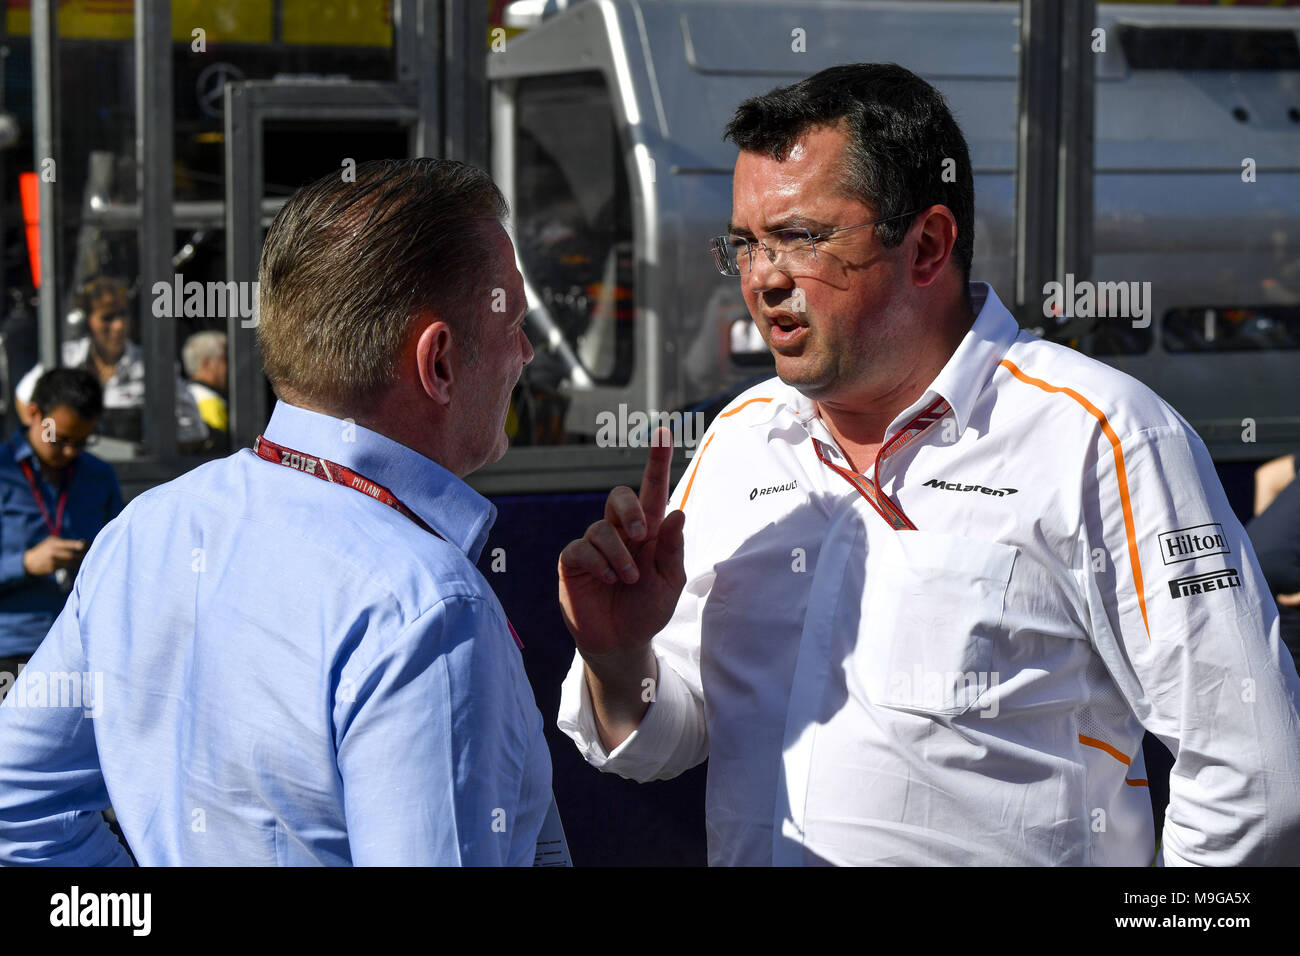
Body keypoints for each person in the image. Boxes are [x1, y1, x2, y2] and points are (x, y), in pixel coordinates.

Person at [556, 63, 1300, 866]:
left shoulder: (1100, 436)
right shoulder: (739, 440)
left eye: (802, 238)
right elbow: (664, 742)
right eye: (745, 243)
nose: (764, 278)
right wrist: (617, 656)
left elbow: (1253, 779)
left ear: (929, 245)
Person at [0, 158, 554, 865]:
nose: (527, 352)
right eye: (511, 318)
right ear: (438, 361)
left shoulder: (148, 529)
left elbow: (16, 806)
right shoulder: (426, 608)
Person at [0, 368, 121, 695]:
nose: (70, 452)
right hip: (12, 650)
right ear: (33, 413)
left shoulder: (99, 476)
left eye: (82, 442)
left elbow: (121, 564)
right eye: (61, 439)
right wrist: (25, 563)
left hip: (81, 650)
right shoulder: (4, 474)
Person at [14, 276, 208, 450]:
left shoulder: (154, 366)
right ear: (86, 321)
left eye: (123, 314)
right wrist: (51, 447)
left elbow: (193, 429)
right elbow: (24, 396)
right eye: (107, 317)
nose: (118, 325)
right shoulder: (65, 358)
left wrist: (152, 452)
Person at [181, 330, 229, 435]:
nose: (228, 367)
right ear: (206, 363)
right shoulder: (212, 402)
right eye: (225, 359)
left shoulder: (185, 394)